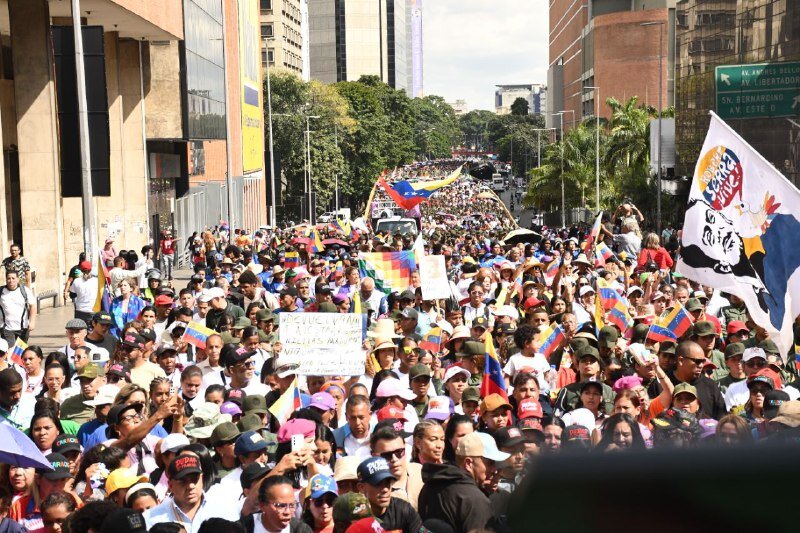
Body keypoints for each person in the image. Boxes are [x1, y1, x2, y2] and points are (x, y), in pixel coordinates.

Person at [418, 431, 506, 532]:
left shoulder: (430, 485)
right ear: (468, 463)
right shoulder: (476, 501)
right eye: (489, 463)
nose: (494, 469)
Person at [144, 454, 237, 531]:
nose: (191, 486)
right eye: (183, 481)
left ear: (202, 478)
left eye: (195, 479)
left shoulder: (223, 509)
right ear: (170, 485)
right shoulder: (151, 518)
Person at [356, 457, 422, 533]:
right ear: (361, 487)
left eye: (387, 482)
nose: (385, 489)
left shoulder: (404, 509)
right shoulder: (353, 516)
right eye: (378, 484)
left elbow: (423, 530)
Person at [242, 475, 312, 533]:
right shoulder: (243, 528)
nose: (287, 512)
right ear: (262, 505)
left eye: (292, 505)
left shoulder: (301, 530)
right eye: (281, 506)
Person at [0, 270, 36, 345]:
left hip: (23, 328)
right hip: (6, 328)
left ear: (17, 279)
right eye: (9, 278)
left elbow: (32, 306)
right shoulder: (1, 291)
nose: (11, 281)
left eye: (13, 278)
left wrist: (32, 321)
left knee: (20, 350)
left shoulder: (25, 290)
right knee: (10, 348)